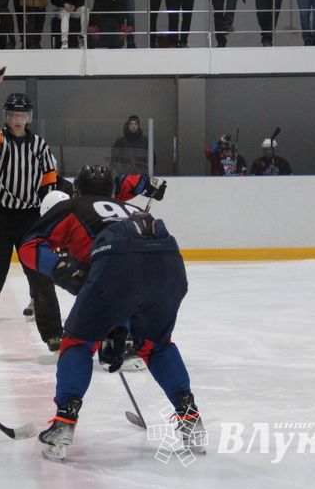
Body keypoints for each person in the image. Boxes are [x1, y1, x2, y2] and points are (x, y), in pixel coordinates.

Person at [19, 165, 203, 462]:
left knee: (78, 343)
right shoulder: (128, 206)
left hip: (117, 267)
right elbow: (136, 276)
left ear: (77, 189)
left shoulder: (71, 205)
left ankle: (64, 422)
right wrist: (118, 329)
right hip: (169, 265)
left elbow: (29, 246)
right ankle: (190, 419)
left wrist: (64, 271)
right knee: (156, 345)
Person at [0, 67, 62, 357]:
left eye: (23, 116)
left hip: (31, 219)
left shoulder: (40, 146)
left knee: (41, 277)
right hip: (1, 218)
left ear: (28, 118)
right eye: (13, 116)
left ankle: (53, 333)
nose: (18, 120)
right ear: (7, 117)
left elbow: (50, 179)